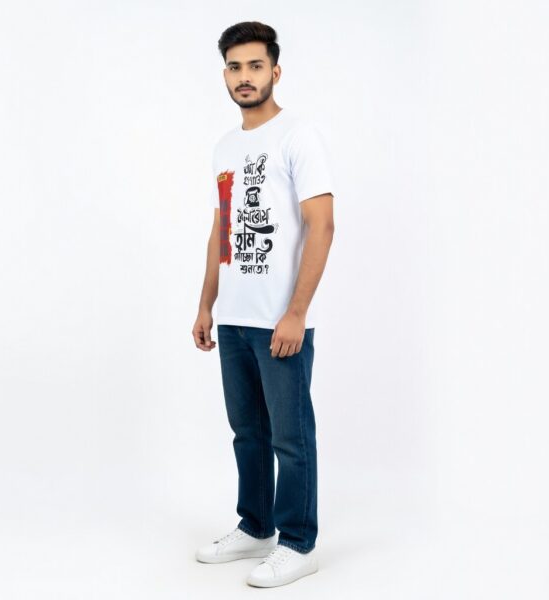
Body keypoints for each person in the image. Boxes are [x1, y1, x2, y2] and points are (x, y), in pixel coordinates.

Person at [192, 20, 335, 588]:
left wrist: (296, 312)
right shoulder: (224, 147)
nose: (244, 76)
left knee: (290, 438)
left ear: (275, 71)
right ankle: (255, 527)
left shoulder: (298, 135)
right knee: (247, 432)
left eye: (255, 65)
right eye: (235, 67)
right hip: (233, 319)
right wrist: (206, 305)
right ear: (225, 75)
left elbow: (321, 225)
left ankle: (299, 542)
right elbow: (221, 230)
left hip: (279, 320)